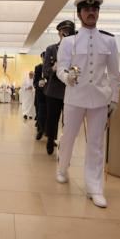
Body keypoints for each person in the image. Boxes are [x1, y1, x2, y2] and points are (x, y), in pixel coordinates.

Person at [55, 0, 120, 208]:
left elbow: (114, 73)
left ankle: (95, 187)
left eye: (95, 10)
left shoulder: (109, 40)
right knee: (68, 137)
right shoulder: (69, 41)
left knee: (96, 144)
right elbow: (61, 68)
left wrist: (114, 98)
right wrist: (67, 77)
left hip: (99, 98)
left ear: (98, 13)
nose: (91, 13)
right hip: (75, 97)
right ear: (79, 14)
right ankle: (62, 168)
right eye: (87, 10)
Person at [43, 20, 75, 155]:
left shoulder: (77, 49)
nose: (66, 34)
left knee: (68, 121)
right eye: (64, 32)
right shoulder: (51, 49)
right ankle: (50, 140)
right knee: (52, 119)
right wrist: (53, 69)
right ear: (59, 33)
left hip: (70, 90)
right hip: (54, 90)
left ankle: (65, 143)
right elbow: (45, 71)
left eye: (69, 32)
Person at [33, 52, 47, 140]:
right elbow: (35, 82)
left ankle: (49, 135)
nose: (45, 59)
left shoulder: (53, 67)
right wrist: (39, 84)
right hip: (40, 94)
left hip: (50, 94)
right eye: (43, 57)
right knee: (40, 113)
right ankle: (40, 130)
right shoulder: (38, 68)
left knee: (50, 115)